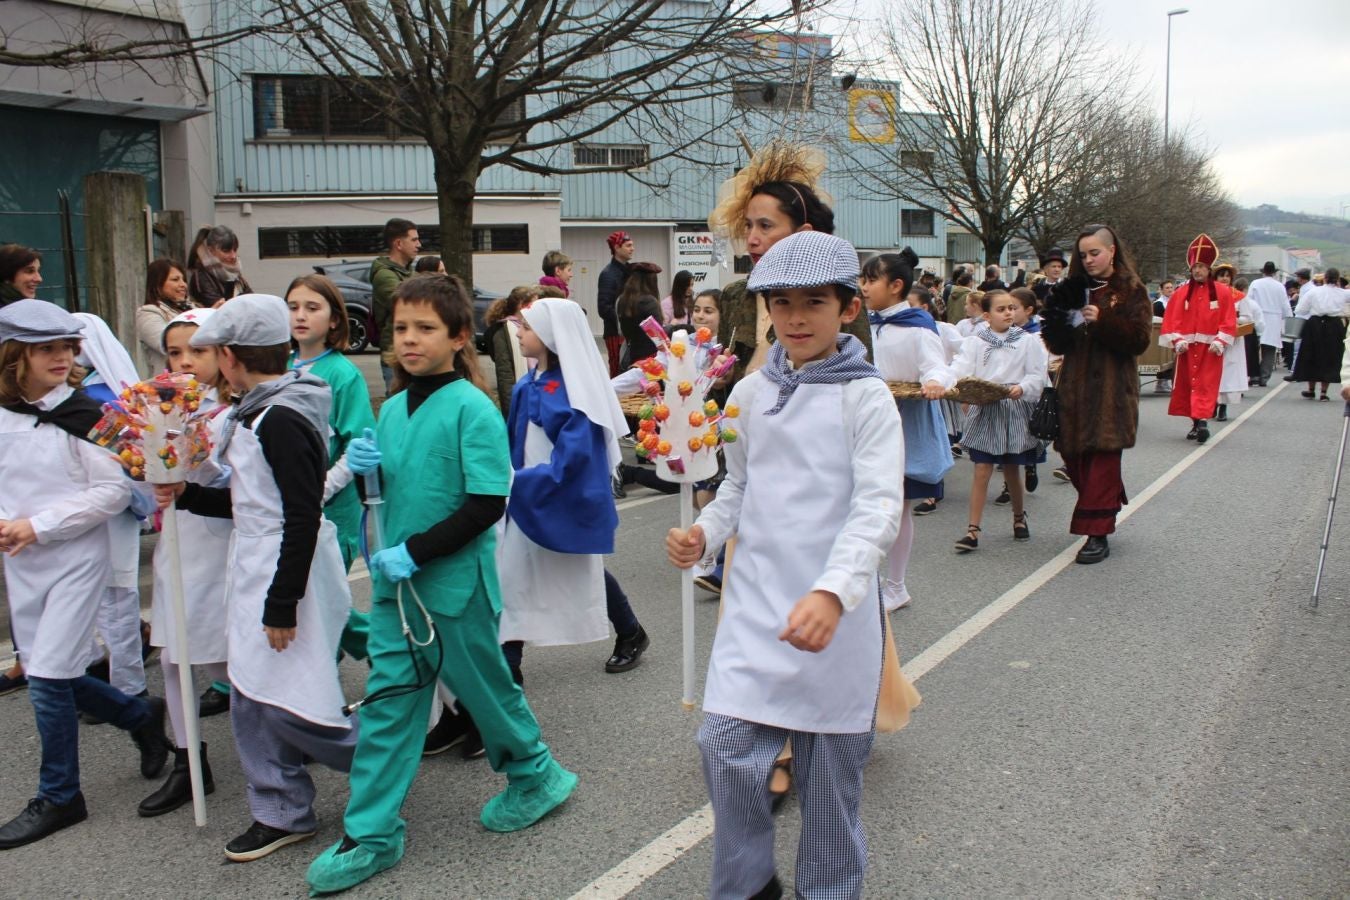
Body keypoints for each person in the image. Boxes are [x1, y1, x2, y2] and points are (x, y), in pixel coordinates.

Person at [305, 275, 576, 895]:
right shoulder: (393, 407)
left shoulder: (473, 408)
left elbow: (486, 502)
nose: (410, 339)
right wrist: (368, 479)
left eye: (425, 328)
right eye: (401, 328)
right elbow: (400, 497)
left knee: (487, 693)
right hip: (400, 593)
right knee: (387, 707)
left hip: (455, 586)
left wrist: (416, 553)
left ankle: (536, 774)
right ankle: (369, 833)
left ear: (459, 338)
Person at [665, 230, 900, 900]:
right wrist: (704, 535)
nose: (796, 318)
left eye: (814, 303)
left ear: (847, 309)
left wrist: (833, 593)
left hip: (837, 619)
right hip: (756, 609)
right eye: (782, 303)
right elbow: (736, 487)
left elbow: (878, 506)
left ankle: (827, 891)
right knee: (722, 747)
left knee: (828, 788)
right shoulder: (747, 394)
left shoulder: (866, 398)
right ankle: (746, 884)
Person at [158, 294, 358, 862]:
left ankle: (378, 755)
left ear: (228, 357)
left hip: (279, 568)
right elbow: (251, 503)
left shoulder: (282, 417)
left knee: (287, 697)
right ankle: (281, 807)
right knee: (253, 692)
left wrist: (281, 602)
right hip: (258, 563)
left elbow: (300, 512)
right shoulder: (257, 409)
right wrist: (189, 495)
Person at [0, 301, 170, 849]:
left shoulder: (88, 412)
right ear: (13, 356)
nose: (63, 357)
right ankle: (140, 714)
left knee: (47, 676)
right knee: (56, 669)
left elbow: (115, 491)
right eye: (46, 348)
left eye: (67, 347)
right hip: (23, 561)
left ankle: (60, 795)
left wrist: (39, 524)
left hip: (76, 557)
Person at [498, 299, 650, 677]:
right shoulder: (525, 385)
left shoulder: (575, 394)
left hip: (555, 492)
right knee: (511, 571)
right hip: (523, 494)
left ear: (550, 336)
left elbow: (577, 458)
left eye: (527, 327)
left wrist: (527, 483)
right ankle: (508, 664)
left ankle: (630, 630)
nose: (518, 332)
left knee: (579, 566)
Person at [138, 308, 234, 817]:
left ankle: (288, 732)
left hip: (220, 546)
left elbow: (238, 484)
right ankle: (188, 760)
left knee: (229, 655)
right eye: (175, 352)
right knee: (175, 656)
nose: (185, 361)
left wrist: (195, 460)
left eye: (197, 350)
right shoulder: (156, 408)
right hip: (176, 543)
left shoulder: (234, 411)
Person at [1041, 224, 1152, 564]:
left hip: (1111, 391)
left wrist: (1103, 320)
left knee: (1102, 461)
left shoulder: (1132, 290)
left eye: (1095, 253)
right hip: (1074, 389)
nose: (1088, 260)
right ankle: (1104, 504)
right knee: (1075, 459)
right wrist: (1060, 323)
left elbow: (1139, 341)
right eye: (1083, 254)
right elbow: (1057, 342)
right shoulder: (1073, 289)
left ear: (1112, 251)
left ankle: (1097, 532)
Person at [862, 249, 952, 607]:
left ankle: (896, 586)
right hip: (866, 419)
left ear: (896, 286)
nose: (863, 287)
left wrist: (933, 381)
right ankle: (866, 580)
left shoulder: (917, 325)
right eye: (863, 279)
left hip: (906, 423)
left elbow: (938, 366)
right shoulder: (864, 323)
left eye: (871, 280)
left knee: (897, 507)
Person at [286, 274, 376, 572]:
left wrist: (320, 490)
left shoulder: (343, 374)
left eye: (312, 308)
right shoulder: (278, 367)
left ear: (335, 319)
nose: (300, 316)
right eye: (293, 307)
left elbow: (357, 445)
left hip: (330, 508)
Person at [944, 290, 1046, 552]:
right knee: (981, 468)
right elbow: (961, 369)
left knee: (1012, 468)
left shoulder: (1027, 341)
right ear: (987, 315)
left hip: (1014, 408)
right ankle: (973, 529)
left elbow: (1038, 375)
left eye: (1011, 308)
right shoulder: (975, 342)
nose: (1009, 313)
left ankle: (1019, 517)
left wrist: (1022, 388)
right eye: (1001, 309)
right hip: (986, 408)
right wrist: (948, 384)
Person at [1160, 235, 1237, 443]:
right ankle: (1196, 422)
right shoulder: (1181, 293)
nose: (1197, 270)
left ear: (1208, 268)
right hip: (1187, 349)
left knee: (1205, 384)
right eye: (1195, 266)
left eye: (1202, 266)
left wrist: (1220, 341)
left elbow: (1229, 320)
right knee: (1188, 385)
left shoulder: (1222, 292)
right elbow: (1171, 320)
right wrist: (1177, 340)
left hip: (1210, 348)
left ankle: (1202, 420)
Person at [370, 218, 420, 394]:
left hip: (413, 349)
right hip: (395, 354)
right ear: (398, 243)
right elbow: (408, 304)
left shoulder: (409, 272)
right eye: (413, 240)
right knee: (398, 404)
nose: (419, 244)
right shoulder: (384, 275)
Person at [1291, 267, 1348, 401]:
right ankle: (1323, 392)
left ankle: (1311, 390)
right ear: (1338, 279)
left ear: (1325, 278)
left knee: (1312, 355)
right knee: (1330, 357)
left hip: (1315, 325)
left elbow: (1300, 309)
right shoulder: (1343, 293)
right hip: (1334, 325)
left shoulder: (1314, 292)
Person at [484, 285, 539, 418]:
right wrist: (511, 412)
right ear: (521, 305)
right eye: (533, 304)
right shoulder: (503, 332)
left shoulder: (528, 327)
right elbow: (505, 376)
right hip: (518, 402)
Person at [1214, 272, 1263, 421]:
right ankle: (1212, 404)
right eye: (1221, 275)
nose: (1224, 278)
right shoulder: (1210, 294)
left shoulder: (1239, 297)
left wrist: (1233, 318)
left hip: (1232, 340)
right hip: (1212, 337)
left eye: (1227, 276)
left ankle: (1223, 406)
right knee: (1213, 372)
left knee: (1227, 372)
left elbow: (1247, 318)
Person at [136, 258, 197, 374]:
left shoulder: (195, 309)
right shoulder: (148, 313)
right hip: (172, 385)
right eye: (175, 280)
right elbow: (166, 342)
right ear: (158, 284)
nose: (183, 285)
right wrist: (207, 324)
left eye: (183, 280)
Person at [187, 225, 252, 307]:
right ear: (211, 250)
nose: (233, 256)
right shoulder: (201, 277)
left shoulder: (236, 276)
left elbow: (252, 300)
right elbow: (222, 310)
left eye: (235, 250)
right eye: (226, 251)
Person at [597, 231, 634, 376]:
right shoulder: (608, 274)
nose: (632, 248)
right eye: (628, 245)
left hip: (630, 332)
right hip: (615, 333)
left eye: (632, 245)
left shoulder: (631, 271)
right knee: (618, 371)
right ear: (617, 248)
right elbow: (604, 308)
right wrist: (624, 322)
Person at [1247, 261, 1289, 386]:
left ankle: (1254, 375)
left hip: (1258, 317)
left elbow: (1249, 300)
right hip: (1274, 320)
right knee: (1269, 350)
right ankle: (1264, 377)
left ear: (1263, 272)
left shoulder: (1256, 283)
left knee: (1254, 348)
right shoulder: (1280, 286)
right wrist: (1288, 318)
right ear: (1274, 273)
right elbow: (1285, 305)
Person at [616, 262, 663, 364]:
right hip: (650, 358)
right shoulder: (649, 301)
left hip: (633, 354)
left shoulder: (623, 300)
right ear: (651, 281)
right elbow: (658, 337)